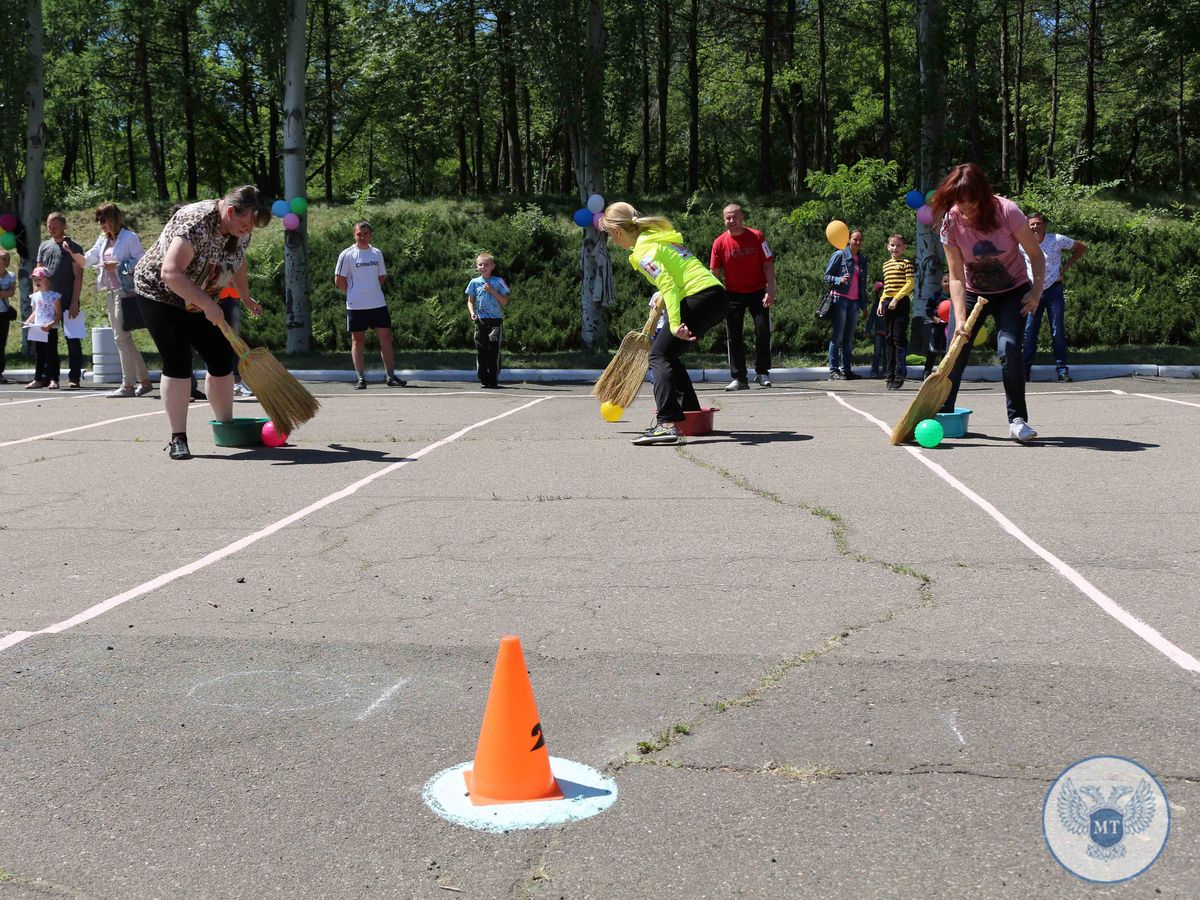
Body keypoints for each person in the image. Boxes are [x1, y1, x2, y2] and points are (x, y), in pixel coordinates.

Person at [132, 185, 271, 460]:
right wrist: (208, 305)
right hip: (160, 293)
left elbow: (238, 261)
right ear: (230, 211)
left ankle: (226, 426)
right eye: (244, 224)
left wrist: (245, 296)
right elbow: (170, 273)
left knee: (220, 358)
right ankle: (178, 439)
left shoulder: (240, 228)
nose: (248, 231)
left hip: (198, 295)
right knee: (178, 361)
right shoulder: (197, 221)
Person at [599, 201, 729, 446]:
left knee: (658, 356)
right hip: (715, 296)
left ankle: (667, 424)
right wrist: (665, 295)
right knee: (670, 354)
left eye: (610, 235)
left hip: (699, 296)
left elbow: (668, 283)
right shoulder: (655, 237)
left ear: (616, 232)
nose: (613, 241)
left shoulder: (642, 250)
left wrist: (673, 323)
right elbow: (674, 276)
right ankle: (689, 414)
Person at [931, 162, 1045, 442]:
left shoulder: (1007, 211)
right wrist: (959, 318)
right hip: (972, 291)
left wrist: (1037, 290)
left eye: (970, 202)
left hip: (1012, 290)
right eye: (958, 201)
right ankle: (943, 413)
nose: (964, 209)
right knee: (956, 349)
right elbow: (956, 276)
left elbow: (1035, 254)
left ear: (982, 195)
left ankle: (1017, 420)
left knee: (1009, 348)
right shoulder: (950, 221)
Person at [84, 203, 153, 398]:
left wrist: (119, 265)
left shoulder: (129, 237)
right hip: (110, 291)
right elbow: (90, 257)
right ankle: (145, 380)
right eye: (98, 220)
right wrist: (74, 254)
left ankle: (128, 385)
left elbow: (142, 261)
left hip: (125, 291)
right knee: (124, 338)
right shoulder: (103, 239)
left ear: (114, 219)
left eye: (103, 219)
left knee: (121, 338)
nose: (100, 224)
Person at [710, 203, 776, 390]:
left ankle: (762, 373)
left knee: (763, 331)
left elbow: (769, 265)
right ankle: (739, 378)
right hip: (732, 295)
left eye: (735, 217)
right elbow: (714, 271)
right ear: (724, 220)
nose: (731, 221)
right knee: (734, 337)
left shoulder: (757, 236)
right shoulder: (719, 242)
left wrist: (771, 290)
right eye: (727, 218)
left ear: (742, 218)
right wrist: (717, 296)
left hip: (758, 292)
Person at [334, 221, 405, 390]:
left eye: (365, 233)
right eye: (359, 234)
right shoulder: (347, 254)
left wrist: (370, 291)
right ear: (354, 235)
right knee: (358, 341)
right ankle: (360, 378)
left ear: (370, 234)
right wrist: (353, 293)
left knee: (386, 339)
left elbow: (381, 277)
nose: (363, 237)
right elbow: (339, 279)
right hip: (356, 306)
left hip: (378, 304)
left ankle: (390, 375)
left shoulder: (376, 253)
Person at [1021, 211, 1087, 382]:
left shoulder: (1057, 240)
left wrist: (1063, 270)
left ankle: (1062, 370)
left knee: (1057, 330)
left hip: (1053, 290)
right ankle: (1024, 370)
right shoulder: (1022, 243)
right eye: (1032, 224)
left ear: (1045, 225)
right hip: (1033, 291)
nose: (1035, 227)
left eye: (1038, 223)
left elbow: (1081, 247)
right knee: (1029, 331)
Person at [37, 212, 85, 389]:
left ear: (64, 226)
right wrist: (37, 299)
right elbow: (38, 274)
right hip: (48, 302)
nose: (51, 229)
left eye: (54, 225)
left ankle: (74, 377)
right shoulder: (44, 246)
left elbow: (78, 277)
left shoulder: (73, 247)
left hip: (68, 300)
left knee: (73, 340)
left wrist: (74, 302)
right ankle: (52, 378)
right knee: (49, 342)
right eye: (49, 226)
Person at [823, 229, 867, 379]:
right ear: (848, 240)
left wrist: (864, 306)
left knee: (848, 338)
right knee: (838, 336)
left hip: (854, 302)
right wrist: (839, 279)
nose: (858, 242)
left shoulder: (862, 259)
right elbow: (826, 276)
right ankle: (833, 370)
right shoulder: (839, 255)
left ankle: (846, 370)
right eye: (855, 239)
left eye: (860, 240)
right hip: (840, 299)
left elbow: (863, 284)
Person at [464, 252, 510, 389]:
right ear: (477, 266)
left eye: (486, 265)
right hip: (481, 320)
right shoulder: (474, 282)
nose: (483, 267)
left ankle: (493, 377)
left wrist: (492, 291)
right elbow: (470, 301)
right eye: (480, 264)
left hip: (495, 321)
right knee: (481, 349)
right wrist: (472, 313)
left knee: (493, 350)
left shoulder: (498, 282)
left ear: (492, 266)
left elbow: (505, 301)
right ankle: (483, 377)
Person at [877, 234, 915, 390]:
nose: (895, 248)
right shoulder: (886, 265)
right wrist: (881, 302)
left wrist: (897, 299)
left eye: (898, 245)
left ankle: (900, 375)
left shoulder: (906, 263)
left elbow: (910, 283)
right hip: (887, 302)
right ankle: (889, 374)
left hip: (900, 303)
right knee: (889, 338)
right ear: (888, 247)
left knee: (898, 339)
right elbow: (887, 287)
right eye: (892, 245)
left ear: (904, 248)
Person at [23, 266, 60, 389]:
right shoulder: (34, 296)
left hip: (50, 329)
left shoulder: (54, 296)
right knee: (40, 355)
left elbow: (58, 314)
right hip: (38, 329)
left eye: (40, 279)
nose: (37, 282)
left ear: (48, 281)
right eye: (35, 280)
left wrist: (50, 324)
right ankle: (37, 379)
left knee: (52, 354)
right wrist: (28, 322)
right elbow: (36, 312)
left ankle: (54, 379)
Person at [923, 273, 951, 379]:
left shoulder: (955, 296)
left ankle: (944, 373)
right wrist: (935, 318)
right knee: (933, 349)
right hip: (937, 326)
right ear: (941, 282)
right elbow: (928, 309)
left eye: (949, 281)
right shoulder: (935, 295)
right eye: (945, 281)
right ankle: (927, 371)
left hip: (949, 327)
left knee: (946, 350)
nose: (947, 284)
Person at [0, 250, 16, 384]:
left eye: (6, 259)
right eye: (2, 259)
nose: (4, 261)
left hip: (3, 313)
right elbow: (7, 292)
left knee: (1, 343)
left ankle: (0, 372)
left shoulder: (11, 275)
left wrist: (3, 293)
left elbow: (11, 293)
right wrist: (4, 293)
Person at [867, 280, 886, 378]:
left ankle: (886, 371)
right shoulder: (875, 306)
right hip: (878, 332)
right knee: (877, 353)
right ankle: (874, 371)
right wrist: (868, 330)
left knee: (887, 353)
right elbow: (871, 319)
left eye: (883, 290)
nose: (882, 293)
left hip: (887, 333)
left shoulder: (889, 304)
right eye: (880, 291)